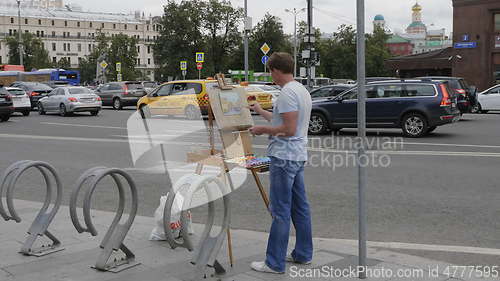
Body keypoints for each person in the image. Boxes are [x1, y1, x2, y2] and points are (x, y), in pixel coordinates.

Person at [249, 52, 313, 274]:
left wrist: (261, 129)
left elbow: (287, 129)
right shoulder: (300, 90)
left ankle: (274, 263)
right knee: (300, 208)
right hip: (296, 156)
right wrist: (259, 111)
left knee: (280, 210)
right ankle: (303, 254)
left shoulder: (286, 93)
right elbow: (283, 120)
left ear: (276, 70)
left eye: (271, 71)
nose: (271, 76)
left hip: (284, 157)